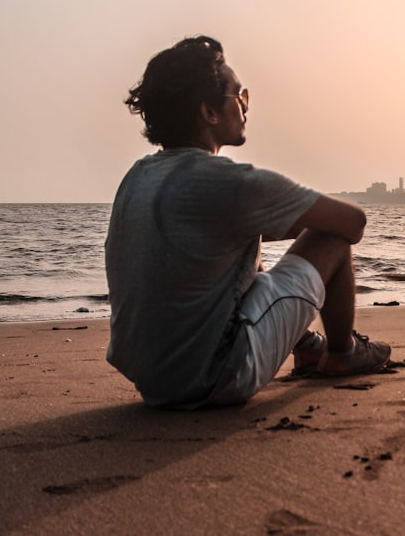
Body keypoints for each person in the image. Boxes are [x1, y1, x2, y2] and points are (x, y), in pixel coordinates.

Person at [105, 35, 390, 409]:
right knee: (331, 238)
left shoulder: (138, 176)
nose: (245, 107)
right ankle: (343, 352)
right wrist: (294, 217)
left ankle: (304, 346)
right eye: (239, 97)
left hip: (153, 380)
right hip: (216, 376)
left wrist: (265, 223)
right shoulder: (231, 183)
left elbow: (198, 241)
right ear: (208, 111)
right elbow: (353, 222)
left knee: (241, 243)